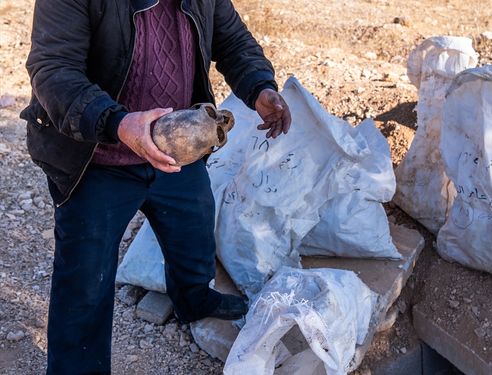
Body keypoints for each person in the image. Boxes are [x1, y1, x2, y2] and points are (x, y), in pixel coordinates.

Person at [20, 0, 292, 373]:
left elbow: (233, 41)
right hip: (97, 158)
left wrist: (259, 87)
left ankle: (193, 300)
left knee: (194, 234)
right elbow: (53, 71)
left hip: (175, 149)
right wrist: (120, 124)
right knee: (84, 284)